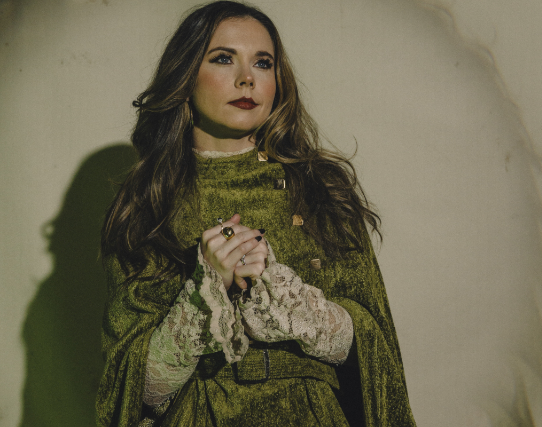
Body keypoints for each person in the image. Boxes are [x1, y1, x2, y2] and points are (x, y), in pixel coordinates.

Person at [96, 1, 415, 426]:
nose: (247, 78)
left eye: (263, 63)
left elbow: (377, 355)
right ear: (186, 76)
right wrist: (205, 292)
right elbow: (133, 391)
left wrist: (298, 307)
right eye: (223, 58)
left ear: (277, 83)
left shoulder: (319, 189)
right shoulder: (147, 204)